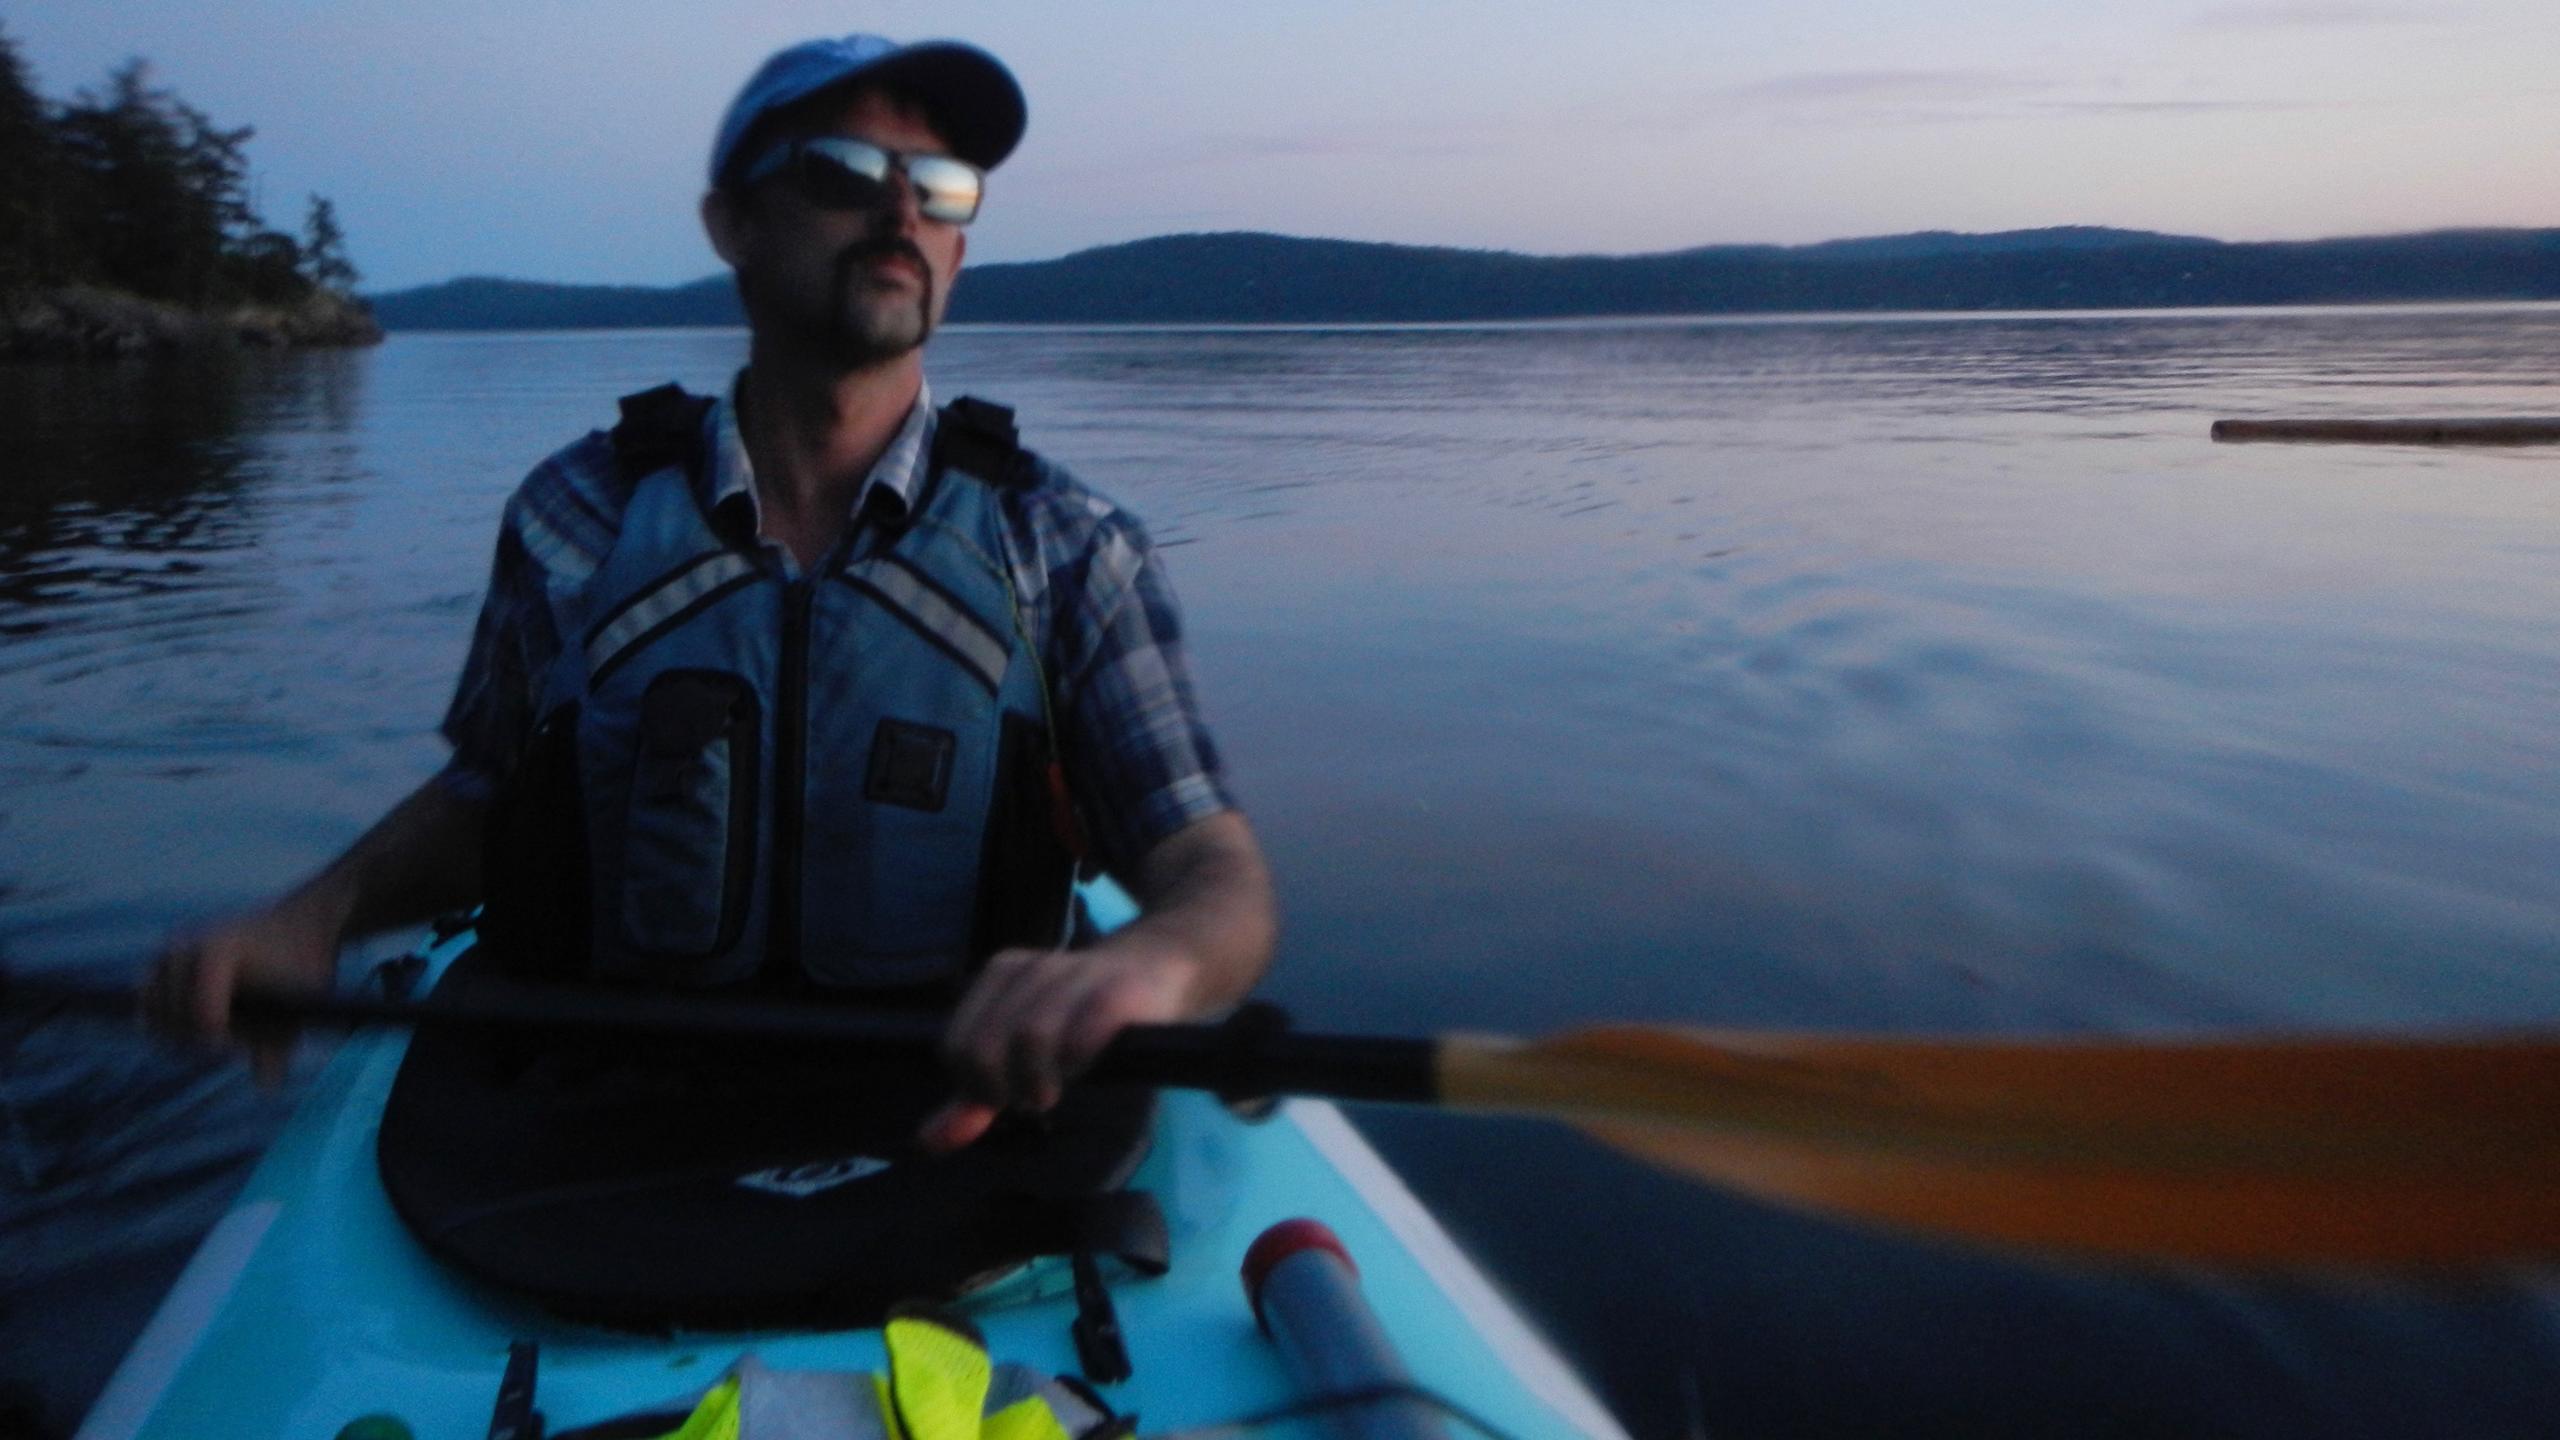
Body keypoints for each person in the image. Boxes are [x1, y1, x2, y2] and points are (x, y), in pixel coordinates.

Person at [145, 34, 1277, 1156]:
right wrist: (319, 912)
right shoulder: (574, 516)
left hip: (955, 1132)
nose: (900, 215)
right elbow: (491, 799)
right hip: (602, 1127)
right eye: (841, 173)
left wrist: (1152, 961)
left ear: (959, 253)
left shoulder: (1069, 548)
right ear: (733, 226)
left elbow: (1209, 871)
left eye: (939, 188)